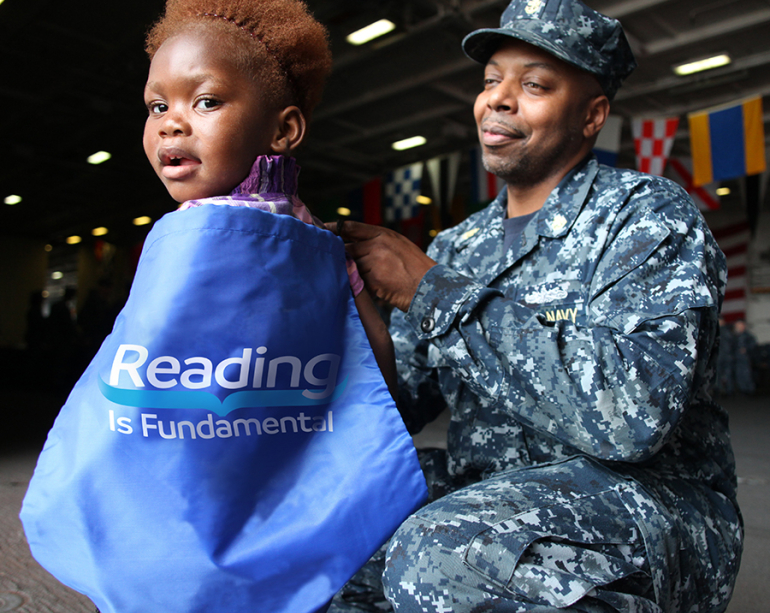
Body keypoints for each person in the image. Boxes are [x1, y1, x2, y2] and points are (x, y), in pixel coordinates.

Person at [329, 1, 742, 611]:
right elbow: (401, 407)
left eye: (535, 85)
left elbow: (633, 419)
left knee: (442, 551)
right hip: (491, 492)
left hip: (646, 503)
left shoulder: (647, 217)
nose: (498, 99)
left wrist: (431, 290)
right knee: (325, 529)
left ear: (591, 116)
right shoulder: (456, 246)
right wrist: (355, 298)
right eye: (491, 79)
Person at [142, 0, 396, 398]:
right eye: (158, 106)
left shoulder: (192, 229)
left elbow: (144, 357)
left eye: (206, 101)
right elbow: (377, 341)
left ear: (284, 129)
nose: (170, 123)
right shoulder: (316, 236)